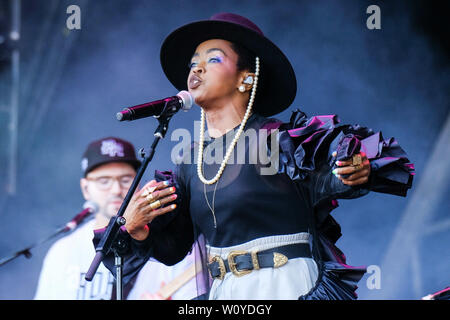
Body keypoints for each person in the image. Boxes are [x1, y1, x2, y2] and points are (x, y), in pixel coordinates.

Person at [94, 13, 415, 300]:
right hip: (225, 291)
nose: (197, 68)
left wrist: (354, 168)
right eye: (193, 63)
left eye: (214, 59)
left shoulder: (284, 141)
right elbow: (173, 248)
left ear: (246, 78)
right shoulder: (189, 163)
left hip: (286, 285)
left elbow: (343, 169)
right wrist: (137, 230)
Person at [34, 137, 197, 300]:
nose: (116, 189)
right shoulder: (63, 252)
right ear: (85, 188)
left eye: (126, 180)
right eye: (104, 181)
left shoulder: (169, 242)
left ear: (138, 183)